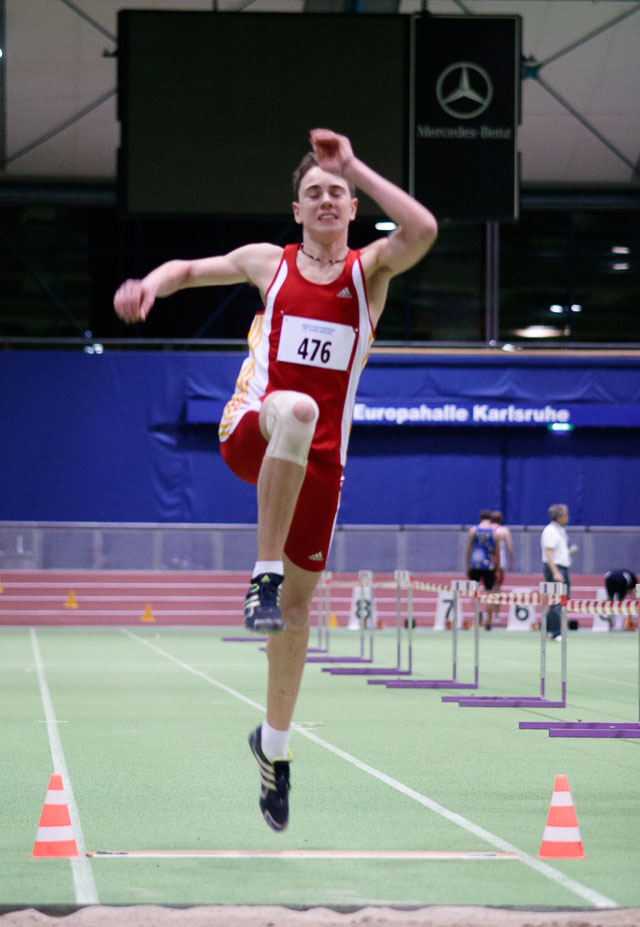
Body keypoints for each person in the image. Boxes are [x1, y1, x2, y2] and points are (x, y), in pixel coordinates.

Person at [113, 129, 438, 831]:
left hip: (321, 465)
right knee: (294, 407)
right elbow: (189, 269)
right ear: (296, 210)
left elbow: (423, 227)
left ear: (353, 208)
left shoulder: (370, 274)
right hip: (252, 430)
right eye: (314, 192)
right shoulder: (270, 263)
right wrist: (151, 286)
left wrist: (352, 165)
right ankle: (259, 571)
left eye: (337, 193)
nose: (326, 199)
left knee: (297, 617)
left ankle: (275, 749)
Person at [541, 503, 575, 641]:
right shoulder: (550, 531)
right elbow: (549, 553)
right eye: (566, 514)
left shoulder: (560, 530)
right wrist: (555, 572)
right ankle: (555, 631)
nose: (568, 517)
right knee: (558, 600)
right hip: (556, 568)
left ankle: (548, 628)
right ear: (559, 516)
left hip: (562, 567)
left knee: (562, 599)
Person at [466, 509, 500, 628]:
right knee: (489, 594)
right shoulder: (494, 532)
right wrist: (498, 568)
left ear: (480, 518)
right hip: (489, 566)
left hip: (475, 565)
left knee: (474, 593)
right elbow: (498, 552)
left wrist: (467, 564)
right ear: (490, 519)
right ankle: (489, 620)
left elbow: (469, 549)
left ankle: (478, 614)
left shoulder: (473, 531)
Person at [490, 510, 514, 590]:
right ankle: (495, 602)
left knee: (488, 587)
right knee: (497, 586)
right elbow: (509, 547)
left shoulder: (486, 529)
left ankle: (489, 602)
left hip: (487, 561)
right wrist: (511, 562)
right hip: (500, 561)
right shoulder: (504, 530)